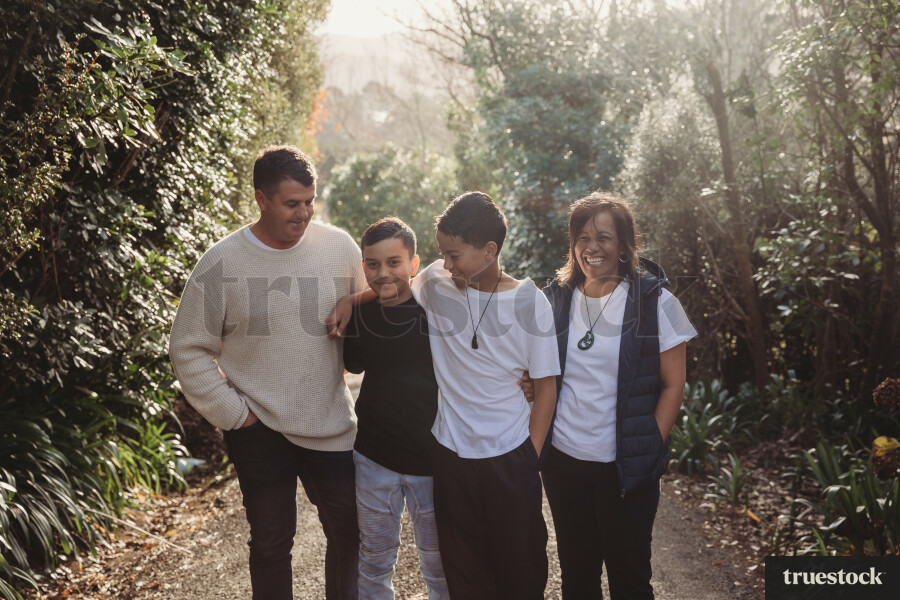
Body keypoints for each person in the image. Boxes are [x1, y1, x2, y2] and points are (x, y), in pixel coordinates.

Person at [329, 191, 560, 599]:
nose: (447, 264)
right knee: (461, 571)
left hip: (511, 455)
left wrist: (530, 456)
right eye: (442, 254)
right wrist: (351, 299)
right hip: (449, 455)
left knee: (520, 567)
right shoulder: (438, 281)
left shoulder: (529, 302)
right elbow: (394, 284)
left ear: (489, 250)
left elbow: (545, 388)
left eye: (454, 255)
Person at [169, 146, 366, 600]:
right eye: (291, 203)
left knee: (350, 533)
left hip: (329, 421)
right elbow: (188, 347)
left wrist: (353, 299)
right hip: (257, 429)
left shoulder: (339, 248)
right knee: (271, 544)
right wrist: (235, 414)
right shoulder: (221, 262)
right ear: (261, 199)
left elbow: (381, 299)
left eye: (309, 201)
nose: (304, 213)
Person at [540, 191, 697, 599]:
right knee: (577, 579)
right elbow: (539, 373)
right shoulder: (555, 300)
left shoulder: (656, 302)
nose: (592, 247)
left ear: (625, 245)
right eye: (583, 237)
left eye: (604, 237)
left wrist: (651, 441)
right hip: (564, 464)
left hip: (624, 470)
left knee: (630, 582)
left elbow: (673, 384)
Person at [342, 217, 449, 600]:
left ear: (414, 264)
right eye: (373, 264)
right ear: (364, 266)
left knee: (439, 564)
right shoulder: (360, 316)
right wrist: (351, 302)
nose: (383, 272)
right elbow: (352, 365)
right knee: (374, 560)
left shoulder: (435, 310)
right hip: (374, 457)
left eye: (394, 262)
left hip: (431, 459)